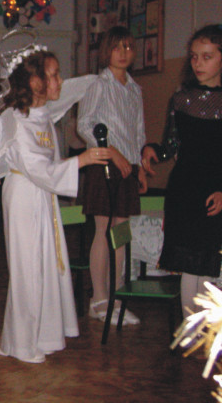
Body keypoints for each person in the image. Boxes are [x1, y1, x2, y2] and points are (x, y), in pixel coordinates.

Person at [0, 48, 108, 364]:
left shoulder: (42, 115)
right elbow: (36, 166)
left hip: (42, 194)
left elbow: (49, 163)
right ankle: (22, 343)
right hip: (24, 195)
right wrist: (81, 160)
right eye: (54, 75)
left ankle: (31, 336)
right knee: (27, 268)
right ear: (34, 81)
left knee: (44, 264)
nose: (59, 81)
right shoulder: (15, 120)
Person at [141, 24, 222, 316]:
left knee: (210, 266)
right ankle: (193, 332)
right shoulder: (182, 99)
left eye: (207, 56)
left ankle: (209, 331)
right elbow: (171, 145)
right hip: (185, 191)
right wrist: (153, 150)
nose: (198, 63)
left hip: (215, 191)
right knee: (191, 266)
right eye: (194, 56)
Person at [77, 26, 147, 325]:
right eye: (117, 47)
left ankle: (117, 298)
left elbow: (139, 131)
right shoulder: (98, 84)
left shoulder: (134, 89)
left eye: (128, 47)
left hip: (128, 168)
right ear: (107, 51)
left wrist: (139, 166)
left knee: (121, 233)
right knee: (103, 231)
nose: (123, 53)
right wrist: (111, 151)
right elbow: (84, 124)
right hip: (103, 164)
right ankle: (99, 299)